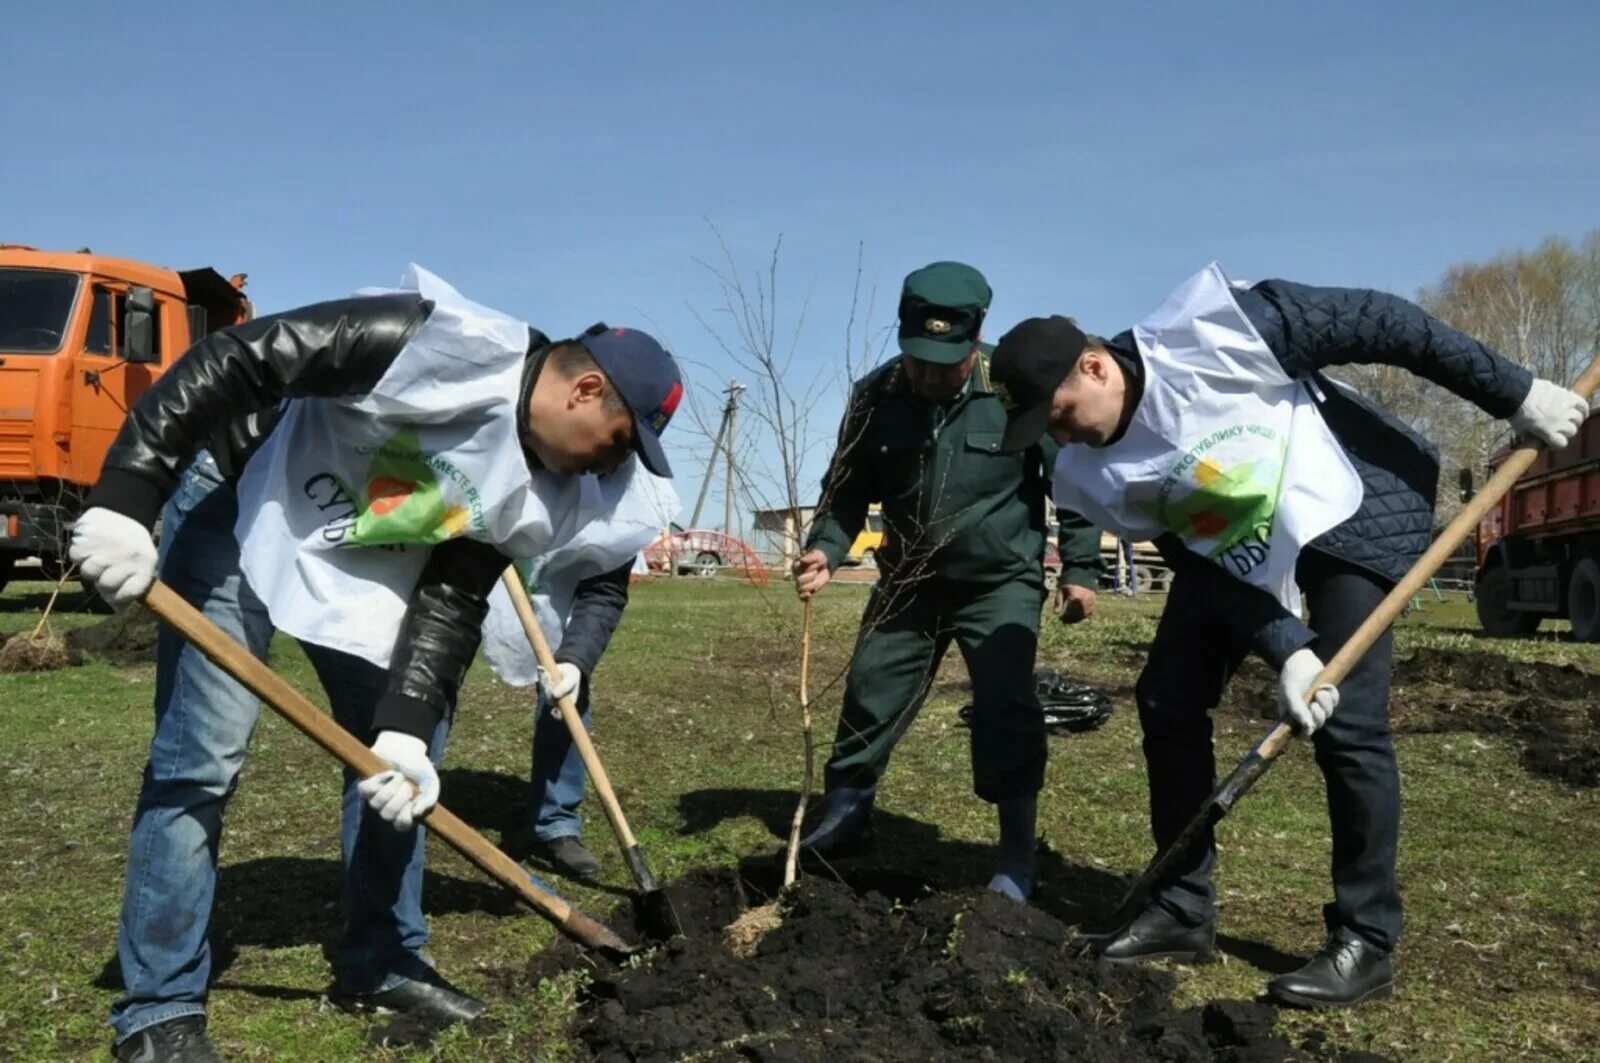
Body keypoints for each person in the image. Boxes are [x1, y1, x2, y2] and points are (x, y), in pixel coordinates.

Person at [69, 267, 682, 1062]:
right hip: (243, 497)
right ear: (586, 391)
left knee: (398, 764)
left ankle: (382, 959)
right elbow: (238, 359)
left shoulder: (539, 489)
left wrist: (406, 726)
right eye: (620, 443)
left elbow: (454, 598)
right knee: (201, 756)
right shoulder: (434, 344)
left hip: (359, 553)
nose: (612, 468)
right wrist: (129, 493)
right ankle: (158, 1005)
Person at [989, 263, 1588, 1007]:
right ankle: (1180, 909)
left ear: (1094, 364)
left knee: (1350, 725)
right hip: (1235, 553)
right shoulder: (1095, 472)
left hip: (1348, 510)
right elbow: (1197, 565)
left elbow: (1382, 319)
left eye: (1060, 409)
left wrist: (1515, 392)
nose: (1059, 432)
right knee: (1168, 699)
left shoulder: (1220, 333)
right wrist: (1287, 646)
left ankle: (1366, 939)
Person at [792, 261, 1102, 902]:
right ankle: (846, 820)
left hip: (999, 582)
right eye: (918, 360)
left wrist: (1079, 569)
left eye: (946, 362)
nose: (929, 376)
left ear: (975, 338)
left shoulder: (1016, 388)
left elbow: (1070, 483)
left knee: (1005, 707)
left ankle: (1015, 856)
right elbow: (845, 489)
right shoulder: (875, 396)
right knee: (869, 693)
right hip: (908, 578)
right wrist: (825, 547)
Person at [521, 559, 633, 881]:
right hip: (486, 567)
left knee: (567, 684)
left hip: (562, 589)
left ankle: (556, 822)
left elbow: (604, 591)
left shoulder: (619, 519)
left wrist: (574, 661)